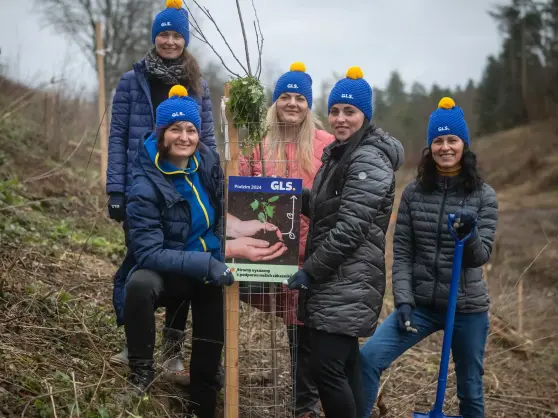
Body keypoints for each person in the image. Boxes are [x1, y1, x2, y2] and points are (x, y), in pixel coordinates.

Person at [359, 97, 498, 418]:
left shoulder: (483, 195)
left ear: (464, 144)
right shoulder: (414, 192)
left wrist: (470, 232)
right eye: (438, 141)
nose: (445, 147)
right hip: (420, 305)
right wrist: (404, 300)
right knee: (369, 358)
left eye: (452, 140)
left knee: (471, 389)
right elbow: (404, 251)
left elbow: (480, 256)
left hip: (466, 308)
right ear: (429, 147)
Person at [106, 0, 216, 372]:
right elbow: (118, 136)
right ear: (155, 38)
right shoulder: (131, 81)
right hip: (142, 187)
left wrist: (211, 183)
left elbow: (208, 141)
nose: (169, 41)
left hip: (184, 185)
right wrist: (116, 191)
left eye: (176, 35)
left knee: (184, 261)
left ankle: (173, 347)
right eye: (163, 34)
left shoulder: (198, 85)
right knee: (141, 259)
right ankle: (135, 343)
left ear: (184, 40)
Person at [287, 67, 404, 418]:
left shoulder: (367, 158)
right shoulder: (341, 153)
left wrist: (309, 271)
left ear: (365, 115)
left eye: (349, 112)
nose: (340, 118)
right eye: (335, 110)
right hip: (339, 280)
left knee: (327, 370)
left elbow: (350, 227)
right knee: (346, 364)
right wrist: (285, 196)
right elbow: (327, 208)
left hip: (346, 280)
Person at [123, 85, 233, 417]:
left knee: (212, 318)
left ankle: (202, 401)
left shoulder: (209, 162)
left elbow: (227, 206)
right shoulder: (145, 184)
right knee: (139, 285)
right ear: (161, 134)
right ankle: (141, 372)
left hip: (209, 266)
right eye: (175, 129)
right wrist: (204, 263)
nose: (184, 137)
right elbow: (148, 252)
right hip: (169, 270)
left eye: (190, 129)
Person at [238, 62, 334, 418]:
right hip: (267, 254)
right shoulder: (257, 147)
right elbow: (240, 193)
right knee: (225, 296)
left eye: (299, 98)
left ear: (309, 105)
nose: (292, 103)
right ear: (274, 102)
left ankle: (305, 405)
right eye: (285, 97)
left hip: (312, 256)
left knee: (303, 335)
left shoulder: (327, 147)